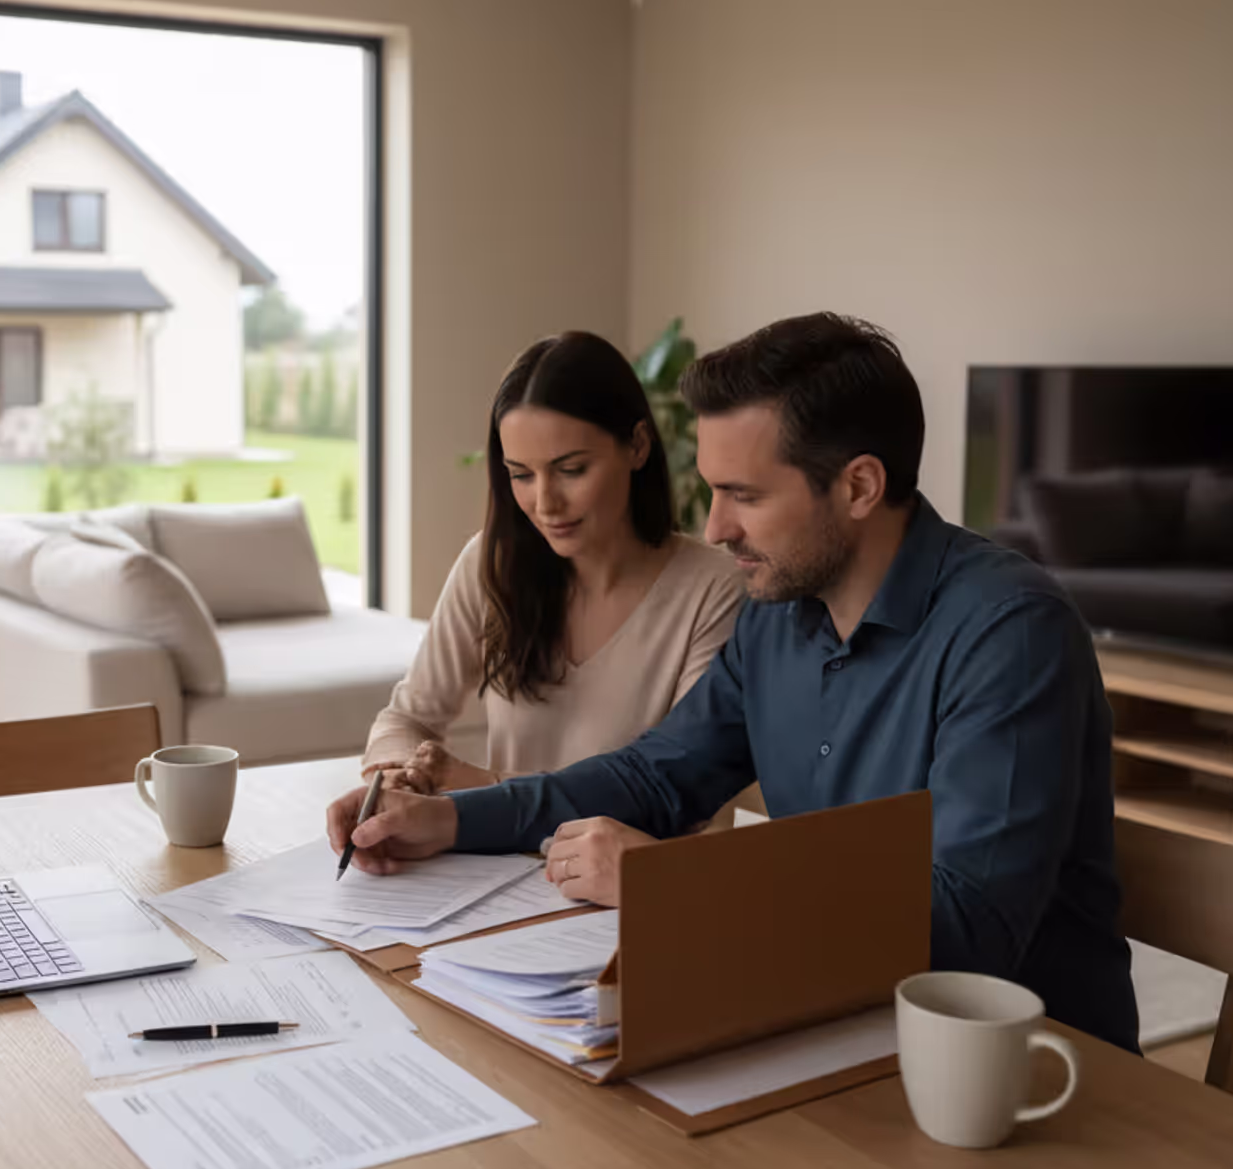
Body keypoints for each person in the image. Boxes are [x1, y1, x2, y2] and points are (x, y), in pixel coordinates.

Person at [327, 312, 1140, 1053]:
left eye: (743, 495)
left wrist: (674, 889)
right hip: (831, 1025)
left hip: (1019, 1070)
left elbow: (968, 934)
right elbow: (652, 776)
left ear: (858, 486)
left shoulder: (1008, 631)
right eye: (714, 492)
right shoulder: (780, 614)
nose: (715, 528)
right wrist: (443, 820)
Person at [357, 330, 745, 797]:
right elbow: (407, 717)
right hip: (500, 868)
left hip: (647, 870)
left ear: (638, 445)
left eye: (571, 470)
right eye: (521, 475)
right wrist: (403, 773)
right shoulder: (492, 563)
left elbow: (680, 791)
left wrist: (486, 788)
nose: (545, 503)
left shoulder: (715, 589)